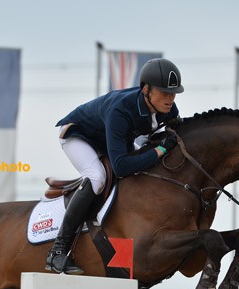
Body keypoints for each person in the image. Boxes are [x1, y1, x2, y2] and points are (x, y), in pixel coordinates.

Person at [46, 58, 184, 275]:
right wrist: (160, 151)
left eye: (174, 93)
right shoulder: (120, 111)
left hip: (110, 139)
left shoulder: (168, 108)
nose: (170, 98)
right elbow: (120, 166)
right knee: (97, 178)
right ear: (146, 90)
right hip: (78, 136)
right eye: (165, 92)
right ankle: (58, 249)